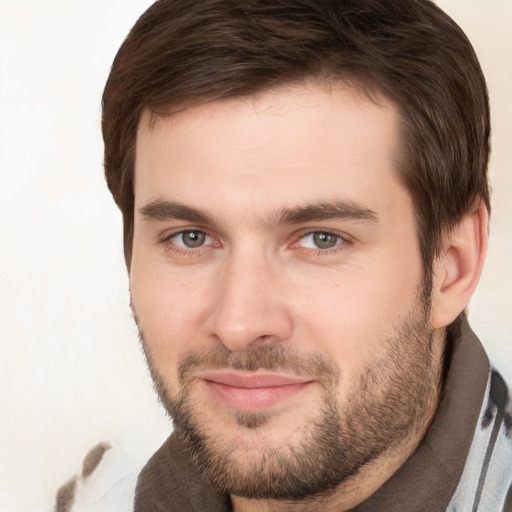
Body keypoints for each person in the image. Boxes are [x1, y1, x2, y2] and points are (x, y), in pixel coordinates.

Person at [56, 0, 512, 510]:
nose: (239, 324)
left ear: (453, 265)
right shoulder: (90, 495)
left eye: (321, 239)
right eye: (190, 237)